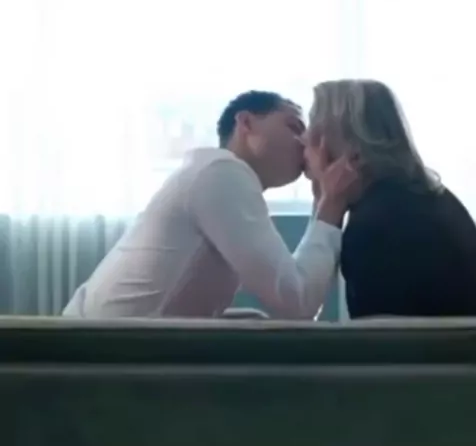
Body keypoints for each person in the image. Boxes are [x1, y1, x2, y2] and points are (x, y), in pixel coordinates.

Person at [63, 90, 358, 320]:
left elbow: (296, 297)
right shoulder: (222, 173)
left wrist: (323, 201)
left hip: (107, 339)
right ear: (246, 123)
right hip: (100, 350)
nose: (304, 142)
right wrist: (331, 205)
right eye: (294, 126)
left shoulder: (214, 174)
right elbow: (298, 302)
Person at [306, 79, 476, 318]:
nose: (304, 142)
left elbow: (378, 337)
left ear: (352, 153)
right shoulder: (426, 198)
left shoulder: (375, 227)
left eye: (314, 131)